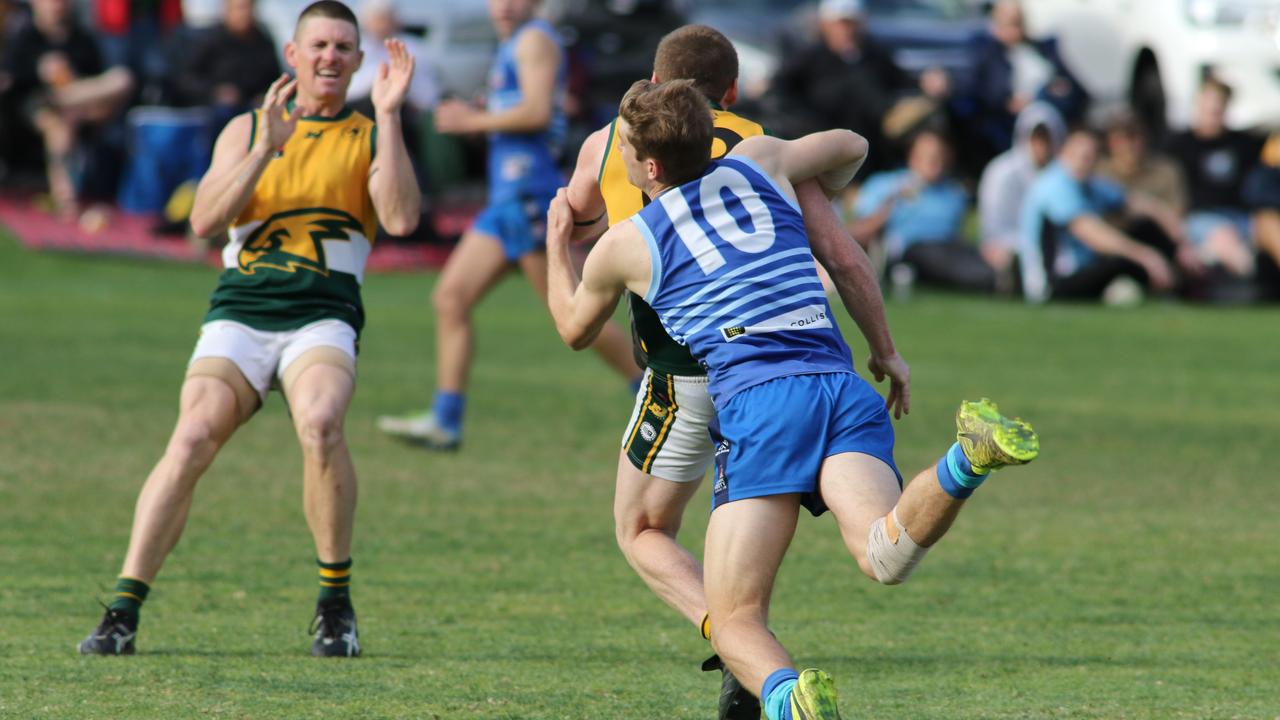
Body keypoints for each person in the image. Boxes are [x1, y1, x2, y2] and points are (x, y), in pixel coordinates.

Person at [547, 79, 1040, 719]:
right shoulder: (761, 162)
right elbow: (852, 145)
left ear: (649, 166)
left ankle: (788, 700)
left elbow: (573, 329)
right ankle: (966, 461)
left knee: (733, 620)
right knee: (883, 554)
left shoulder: (629, 241)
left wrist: (559, 244)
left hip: (762, 403)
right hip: (839, 386)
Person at [77, 0, 421, 657]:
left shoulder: (371, 132)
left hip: (322, 312)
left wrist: (392, 115)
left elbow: (401, 219)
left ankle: (334, 605)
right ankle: (122, 610)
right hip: (242, 309)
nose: (330, 57)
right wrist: (266, 147)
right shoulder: (246, 129)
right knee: (193, 435)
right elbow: (204, 221)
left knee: (320, 423)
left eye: (343, 48)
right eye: (317, 45)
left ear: (358, 62)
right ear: (292, 56)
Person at [564, 24, 888, 720]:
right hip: (789, 350)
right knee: (777, 530)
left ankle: (742, 652)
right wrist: (884, 347)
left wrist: (564, 240)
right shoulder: (759, 150)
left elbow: (582, 223)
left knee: (644, 529)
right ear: (728, 95)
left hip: (685, 371)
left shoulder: (606, 143)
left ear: (653, 89)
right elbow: (843, 255)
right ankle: (750, 656)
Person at [376, 0, 640, 451]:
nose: (504, 5)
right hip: (504, 200)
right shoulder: (512, 44)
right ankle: (446, 418)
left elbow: (537, 112)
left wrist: (469, 119)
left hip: (527, 196)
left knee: (577, 318)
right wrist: (484, 114)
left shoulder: (535, 39)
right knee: (450, 297)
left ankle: (651, 388)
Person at [1019, 128, 1202, 303]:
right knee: (1123, 256)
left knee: (1147, 228)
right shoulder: (1055, 185)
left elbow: (1147, 207)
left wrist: (1182, 244)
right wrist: (1146, 257)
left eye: (1090, 157)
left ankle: (1183, 281)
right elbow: (1093, 234)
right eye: (1080, 155)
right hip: (1054, 282)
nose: (1085, 161)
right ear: (1063, 152)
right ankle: (1173, 288)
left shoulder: (1090, 183)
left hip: (1087, 268)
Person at [768, 0, 948, 174]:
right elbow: (780, 89)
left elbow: (903, 82)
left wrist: (928, 83)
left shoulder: (875, 55)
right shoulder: (809, 57)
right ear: (825, 25)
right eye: (841, 23)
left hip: (875, 143)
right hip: (823, 140)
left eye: (852, 23)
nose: (847, 30)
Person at [2, 0, 134, 215]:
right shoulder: (25, 37)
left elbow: (96, 77)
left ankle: (62, 98)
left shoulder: (81, 38)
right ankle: (65, 198)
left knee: (122, 79)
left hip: (79, 104)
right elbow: (12, 82)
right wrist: (40, 71)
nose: (56, 6)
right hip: (38, 109)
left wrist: (71, 83)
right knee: (59, 124)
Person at [851, 129, 993, 293]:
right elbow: (859, 232)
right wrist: (892, 203)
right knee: (944, 260)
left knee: (972, 255)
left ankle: (998, 276)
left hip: (948, 246)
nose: (937, 164)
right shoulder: (885, 185)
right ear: (912, 157)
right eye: (930, 158)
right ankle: (990, 280)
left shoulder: (953, 193)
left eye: (941, 157)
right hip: (912, 249)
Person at [959, 0, 1087, 159]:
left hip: (1053, 116)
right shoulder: (987, 53)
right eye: (1011, 23)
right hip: (1012, 125)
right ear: (996, 23)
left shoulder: (1045, 50)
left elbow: (1078, 90)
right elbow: (977, 91)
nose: (1017, 28)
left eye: (1020, 21)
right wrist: (1009, 101)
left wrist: (1043, 95)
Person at [1165, 76, 1263, 279]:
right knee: (1224, 235)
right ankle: (1253, 279)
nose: (1213, 109)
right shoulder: (1178, 145)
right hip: (1200, 218)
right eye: (1209, 103)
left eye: (1219, 104)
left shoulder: (1245, 144)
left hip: (1243, 216)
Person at [977, 101, 1064, 283]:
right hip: (1008, 246)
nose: (1041, 145)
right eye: (1036, 138)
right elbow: (994, 225)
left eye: (1046, 138)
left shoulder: (1061, 173)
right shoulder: (1001, 172)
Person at [173, 0, 281, 117]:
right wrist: (216, 93)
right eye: (240, 8)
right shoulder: (211, 40)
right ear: (226, 10)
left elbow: (274, 77)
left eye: (249, 8)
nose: (245, 14)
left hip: (252, 106)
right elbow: (186, 80)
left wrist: (265, 94)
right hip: (216, 109)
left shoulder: (262, 40)